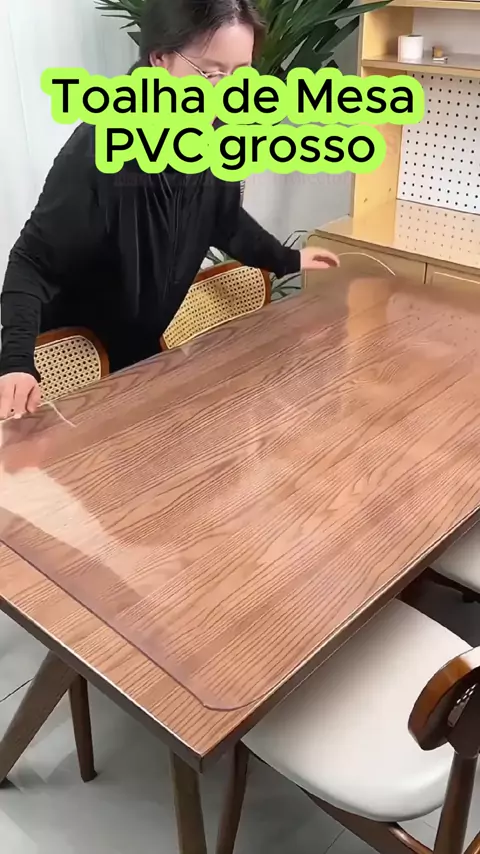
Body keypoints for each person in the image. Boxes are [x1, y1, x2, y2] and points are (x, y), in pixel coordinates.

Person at [0, 0, 339, 419]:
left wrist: (288, 259)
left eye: (241, 73)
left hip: (143, 361)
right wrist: (16, 363)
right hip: (73, 365)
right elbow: (32, 262)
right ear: (160, 59)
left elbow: (224, 221)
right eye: (212, 73)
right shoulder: (101, 146)